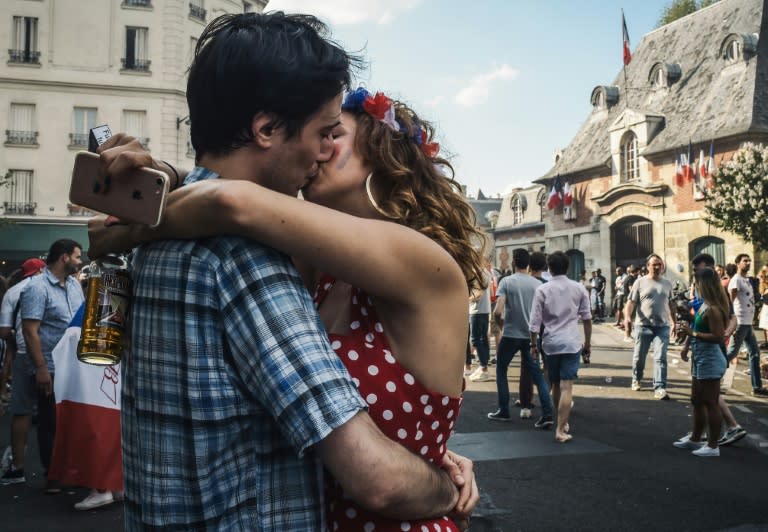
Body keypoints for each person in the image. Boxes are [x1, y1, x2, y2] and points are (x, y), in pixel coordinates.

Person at [88, 14, 478, 530]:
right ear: (270, 128)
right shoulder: (304, 262)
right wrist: (163, 181)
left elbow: (232, 198)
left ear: (387, 163)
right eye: (323, 131)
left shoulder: (419, 262)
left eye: (333, 136)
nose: (319, 149)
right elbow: (232, 193)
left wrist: (142, 207)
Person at [20, 241, 84, 493]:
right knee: (50, 422)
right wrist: (42, 368)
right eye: (77, 257)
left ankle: (71, 471)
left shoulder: (74, 285)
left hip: (75, 365)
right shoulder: (37, 287)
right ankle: (53, 475)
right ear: (64, 258)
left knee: (72, 420)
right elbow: (30, 331)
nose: (80, 262)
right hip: (52, 366)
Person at [683, 253, 746, 447]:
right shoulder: (702, 290)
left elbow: (731, 317)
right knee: (701, 398)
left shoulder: (717, 292)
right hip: (701, 349)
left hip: (712, 350)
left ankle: (713, 440)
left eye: (698, 269)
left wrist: (726, 332)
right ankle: (700, 435)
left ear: (709, 269)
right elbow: (697, 322)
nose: (694, 273)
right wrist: (687, 342)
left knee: (710, 398)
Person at [529, 251, 592, 443]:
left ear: (549, 268)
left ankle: (561, 422)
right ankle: (561, 428)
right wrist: (587, 343)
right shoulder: (579, 288)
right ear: (567, 267)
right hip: (571, 342)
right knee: (567, 387)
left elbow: (534, 322)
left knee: (555, 384)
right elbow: (587, 319)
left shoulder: (543, 290)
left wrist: (533, 344)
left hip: (550, 342)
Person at [489, 248, 554, 428]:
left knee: (501, 370)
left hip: (510, 334)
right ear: (528, 264)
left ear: (513, 263)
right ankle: (547, 413)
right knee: (537, 375)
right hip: (530, 337)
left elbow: (498, 311)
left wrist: (501, 327)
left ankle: (503, 410)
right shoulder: (538, 285)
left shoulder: (506, 281)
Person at [0, 258, 46, 485]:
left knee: (21, 411)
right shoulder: (50, 287)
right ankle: (56, 471)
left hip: (21, 355)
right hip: (49, 354)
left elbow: (4, 330)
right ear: (40, 270)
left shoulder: (12, 292)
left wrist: (15, 340)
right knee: (53, 416)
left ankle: (17, 466)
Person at [674, 267, 729, 456]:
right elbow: (697, 325)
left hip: (710, 358)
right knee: (697, 400)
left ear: (704, 284)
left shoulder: (713, 308)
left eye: (695, 283)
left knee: (710, 402)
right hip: (700, 357)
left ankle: (713, 446)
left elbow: (718, 337)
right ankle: (696, 438)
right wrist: (687, 341)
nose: (693, 286)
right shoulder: (705, 304)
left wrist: (692, 333)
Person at [624, 254, 676, 400]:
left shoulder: (667, 283)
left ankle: (660, 387)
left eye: (659, 264)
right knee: (639, 357)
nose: (657, 267)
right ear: (648, 266)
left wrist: (674, 322)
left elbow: (671, 305)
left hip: (662, 326)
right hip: (643, 326)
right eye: (654, 264)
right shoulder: (639, 282)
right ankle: (637, 378)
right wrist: (628, 317)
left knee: (661, 357)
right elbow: (631, 303)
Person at [725, 254, 767, 395]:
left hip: (747, 323)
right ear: (737, 263)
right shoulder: (736, 280)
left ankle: (757, 387)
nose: (748, 263)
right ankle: (711, 378)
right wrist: (731, 321)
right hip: (740, 322)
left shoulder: (746, 280)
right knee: (731, 353)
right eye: (745, 261)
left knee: (754, 353)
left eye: (749, 261)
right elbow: (730, 303)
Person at [468, 271, 494, 382]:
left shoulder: (477, 272)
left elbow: (478, 294)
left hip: (477, 310)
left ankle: (484, 369)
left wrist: (466, 300)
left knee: (476, 340)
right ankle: (484, 367)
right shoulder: (485, 272)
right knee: (483, 339)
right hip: (484, 310)